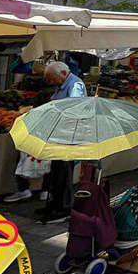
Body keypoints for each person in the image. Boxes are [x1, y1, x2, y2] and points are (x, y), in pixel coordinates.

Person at [37, 61, 88, 223]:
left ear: (64, 74)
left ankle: (64, 208)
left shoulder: (76, 85)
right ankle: (54, 203)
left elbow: (75, 108)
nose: (50, 83)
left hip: (68, 137)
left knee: (64, 172)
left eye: (52, 79)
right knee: (56, 171)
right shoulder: (62, 85)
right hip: (59, 135)